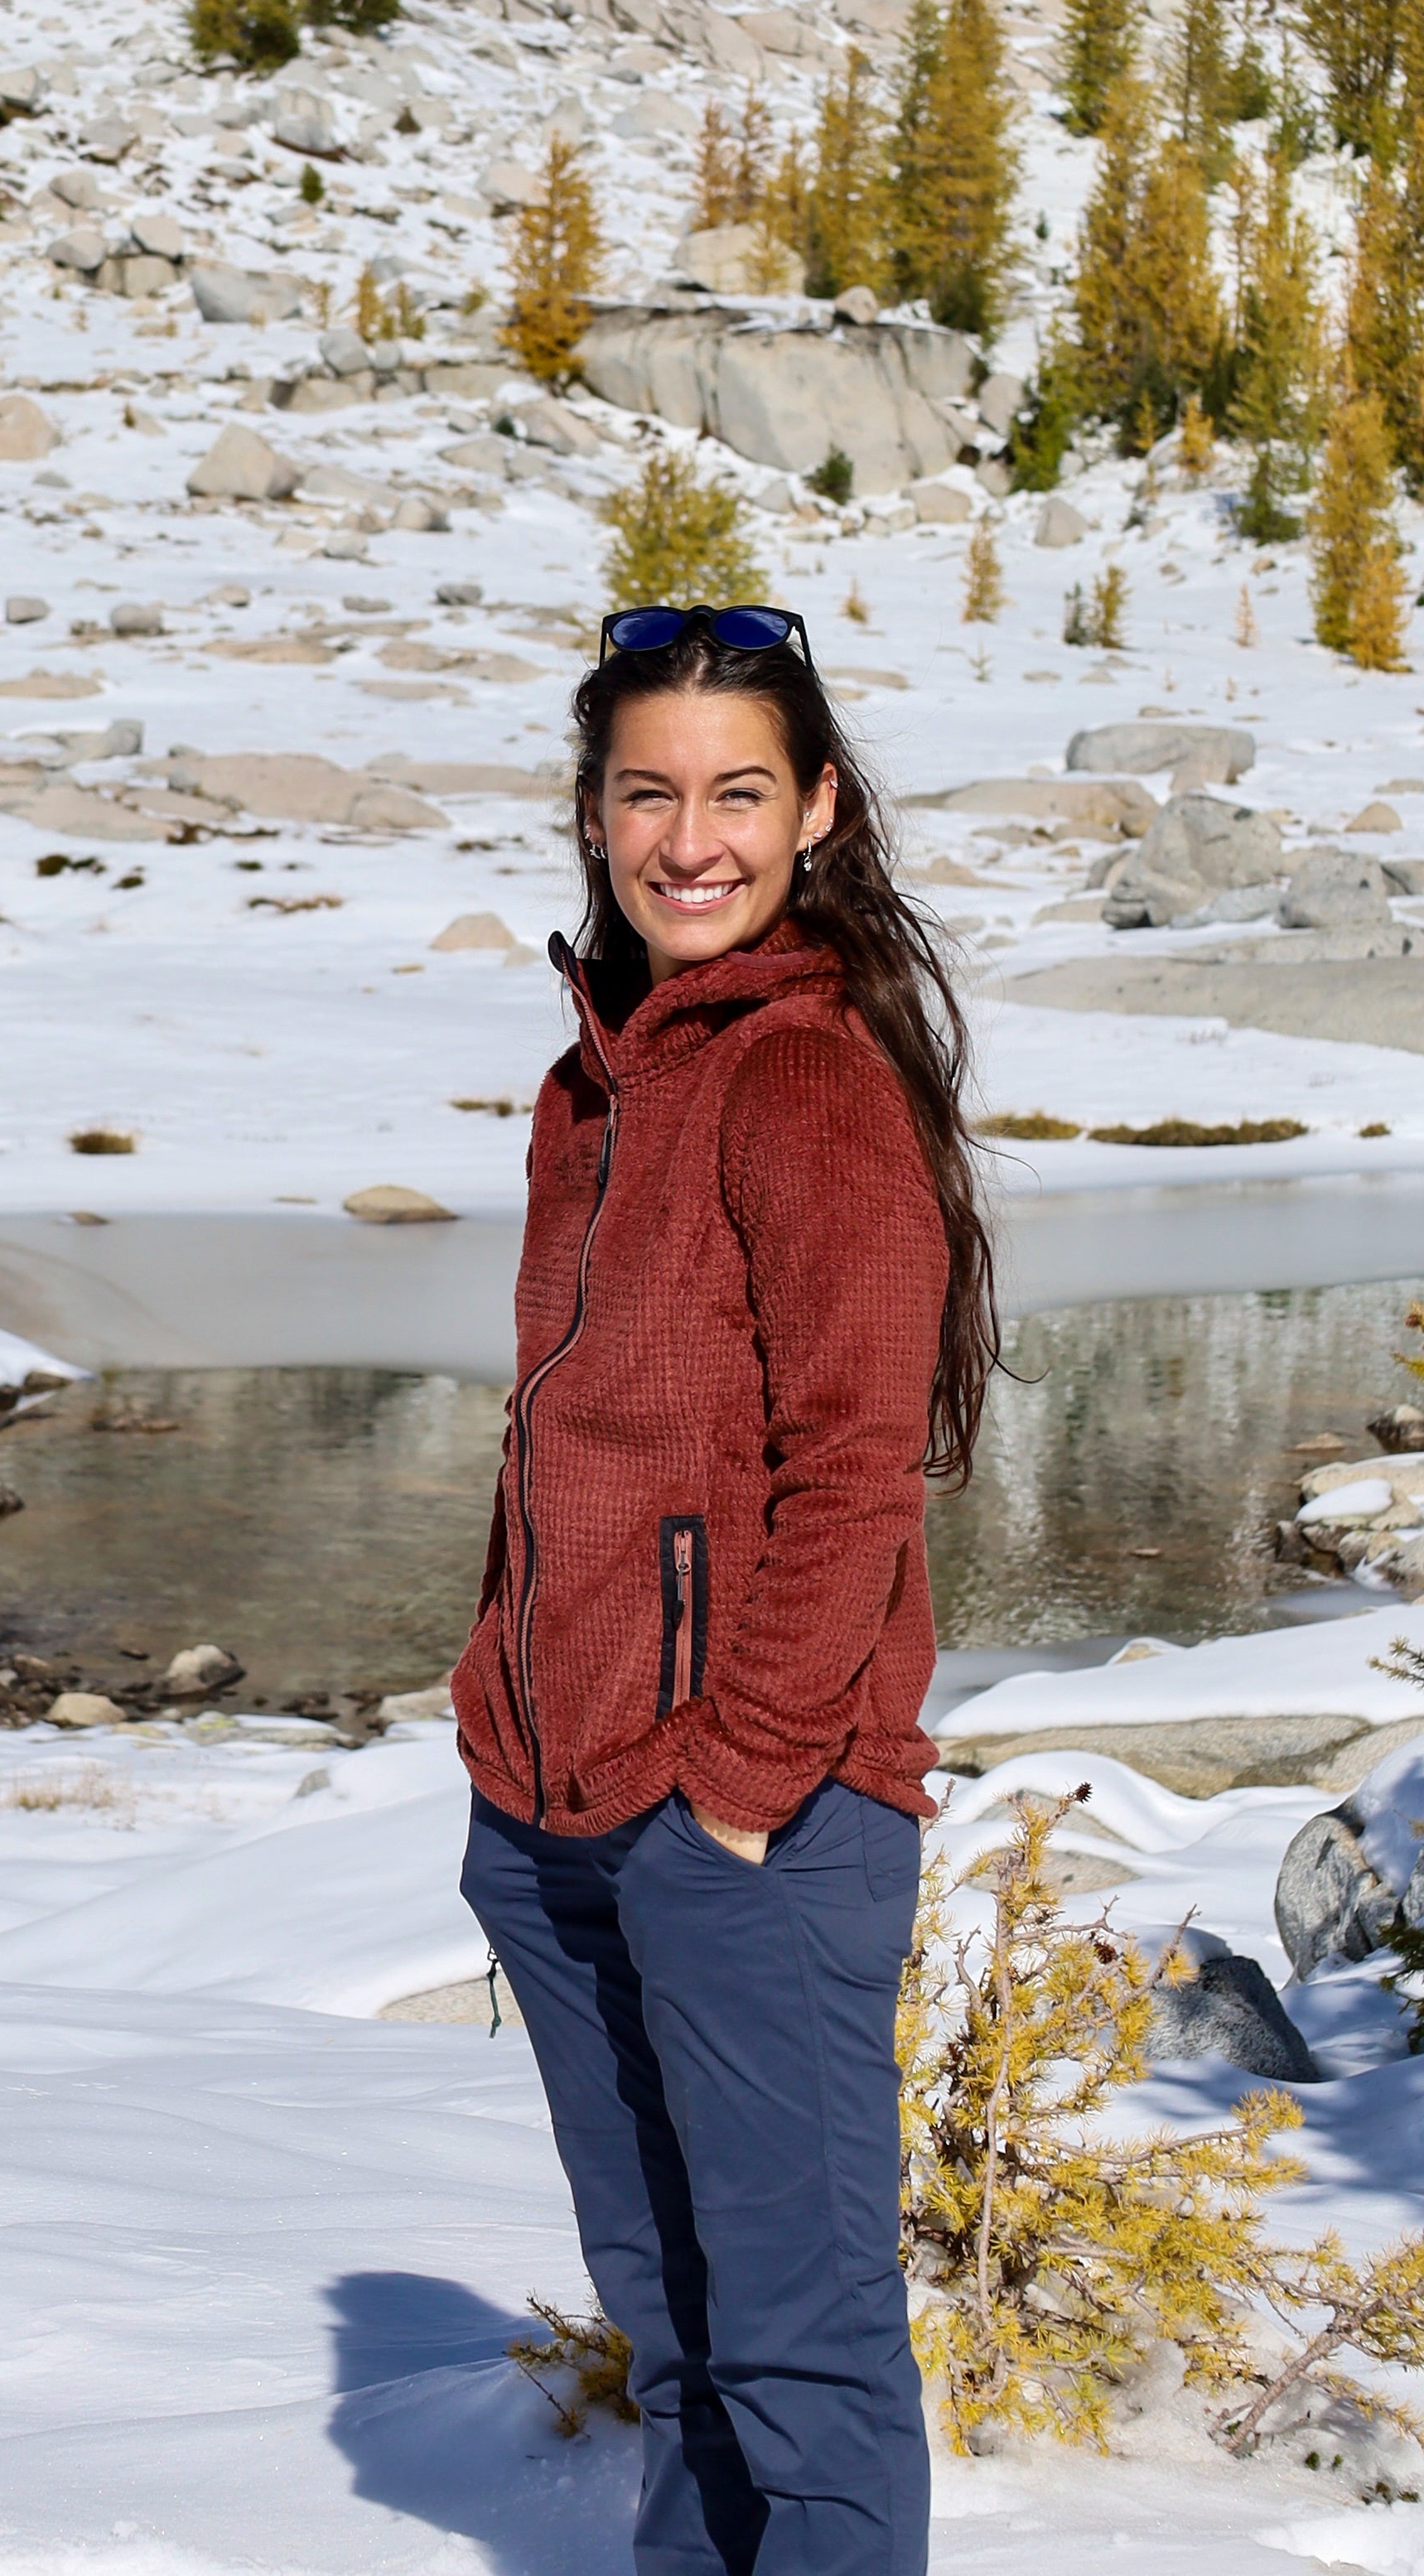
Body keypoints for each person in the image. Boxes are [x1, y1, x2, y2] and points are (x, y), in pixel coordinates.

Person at [452, 601, 996, 2576]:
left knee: (803, 2361)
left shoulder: (809, 1083)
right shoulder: (593, 1081)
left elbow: (852, 1475)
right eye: (650, 792)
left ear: (819, 811)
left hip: (752, 1825)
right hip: (557, 1806)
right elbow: (572, 1436)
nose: (694, 841)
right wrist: (497, 1716)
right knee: (681, 2345)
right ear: (593, 816)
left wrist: (747, 1786)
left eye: (740, 794)